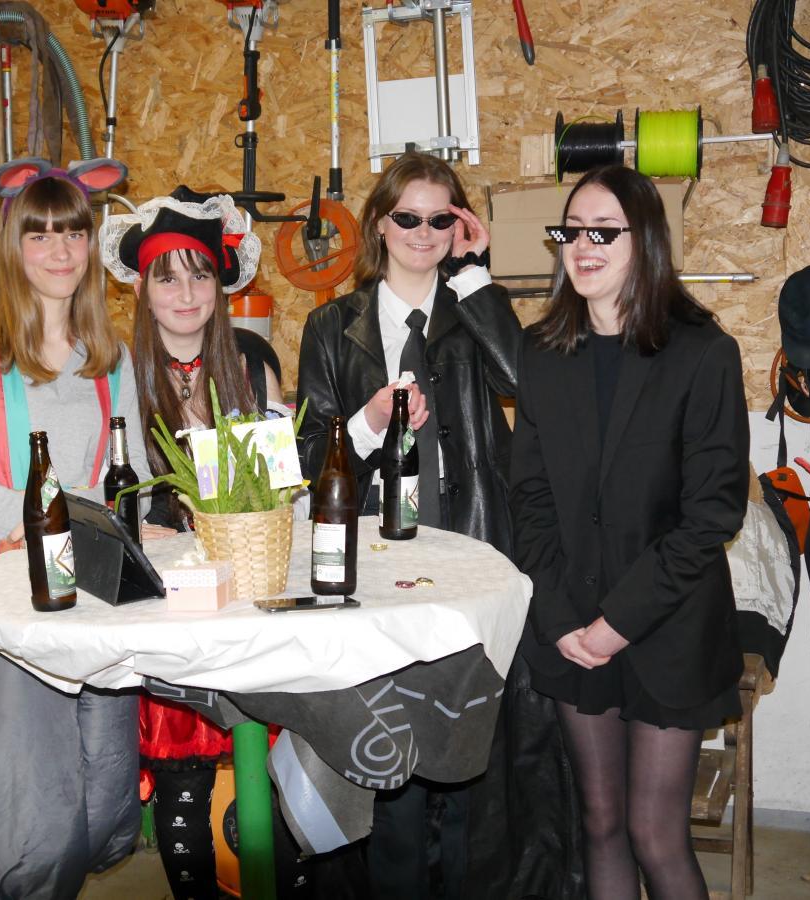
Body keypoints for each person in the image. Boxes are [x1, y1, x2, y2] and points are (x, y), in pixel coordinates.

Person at [296, 151, 579, 900]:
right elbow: (307, 457)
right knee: (394, 749)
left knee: (469, 749)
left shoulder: (472, 310)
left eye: (440, 218)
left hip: (473, 549)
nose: (423, 232)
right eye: (408, 216)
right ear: (379, 225)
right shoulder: (332, 326)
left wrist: (477, 276)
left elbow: (526, 384)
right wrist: (367, 421)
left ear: (461, 226)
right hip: (379, 560)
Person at [511, 165, 749, 899]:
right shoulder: (541, 352)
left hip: (667, 626)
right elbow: (530, 497)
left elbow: (712, 514)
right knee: (601, 822)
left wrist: (618, 623)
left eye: (603, 232)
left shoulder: (702, 353)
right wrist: (561, 618)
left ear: (644, 239)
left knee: (654, 833)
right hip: (573, 623)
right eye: (571, 230)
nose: (582, 245)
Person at [0, 160, 149, 899]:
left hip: (96, 588)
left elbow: (134, 476)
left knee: (97, 778)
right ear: (15, 247)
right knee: (20, 798)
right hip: (8, 580)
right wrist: (40, 525)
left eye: (73, 233)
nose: (59, 251)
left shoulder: (111, 355)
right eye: (40, 234)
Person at [101, 192, 319, 898]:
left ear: (221, 284)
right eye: (168, 277)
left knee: (275, 775)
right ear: (142, 287)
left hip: (249, 598)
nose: (186, 293)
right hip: (167, 608)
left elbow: (283, 488)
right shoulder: (119, 371)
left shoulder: (251, 362)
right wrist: (138, 525)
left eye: (200, 275)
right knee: (183, 783)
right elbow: (102, 487)